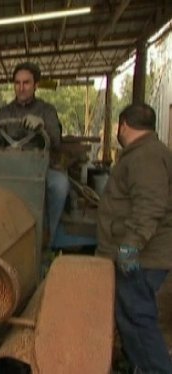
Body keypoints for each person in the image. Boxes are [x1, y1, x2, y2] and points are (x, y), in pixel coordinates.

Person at [96, 103, 172, 373]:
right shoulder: (145, 153)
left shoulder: (145, 157)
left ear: (123, 125)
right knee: (132, 319)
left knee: (139, 320)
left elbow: (150, 205)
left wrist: (130, 246)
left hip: (143, 257)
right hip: (142, 254)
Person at [0, 61, 69, 248]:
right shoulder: (5, 111)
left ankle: (49, 240)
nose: (21, 88)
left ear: (36, 85)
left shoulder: (47, 110)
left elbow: (55, 141)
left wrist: (42, 125)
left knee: (60, 186)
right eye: (17, 83)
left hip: (40, 167)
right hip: (10, 167)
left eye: (26, 83)